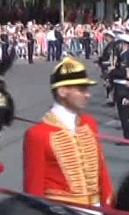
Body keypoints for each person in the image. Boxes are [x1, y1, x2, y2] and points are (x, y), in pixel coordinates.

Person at [23, 57, 113, 210]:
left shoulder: (89, 123)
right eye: (81, 89)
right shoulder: (37, 134)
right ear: (62, 91)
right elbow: (34, 189)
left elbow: (101, 171)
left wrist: (110, 207)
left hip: (96, 208)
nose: (87, 95)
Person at [110, 34, 129, 143]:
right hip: (121, 86)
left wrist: (112, 72)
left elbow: (125, 71)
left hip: (123, 87)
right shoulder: (124, 54)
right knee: (125, 113)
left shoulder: (126, 56)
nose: (118, 45)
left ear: (124, 44)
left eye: (120, 43)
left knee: (125, 113)